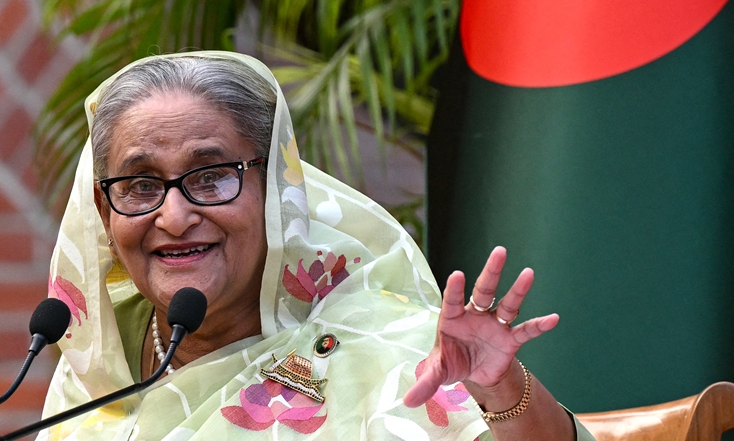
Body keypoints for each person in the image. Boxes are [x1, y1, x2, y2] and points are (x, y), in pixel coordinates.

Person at [42, 50, 596, 440]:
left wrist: (500, 390)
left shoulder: (388, 349)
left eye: (211, 176)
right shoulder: (99, 355)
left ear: (276, 194)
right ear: (101, 209)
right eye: (139, 186)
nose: (175, 214)